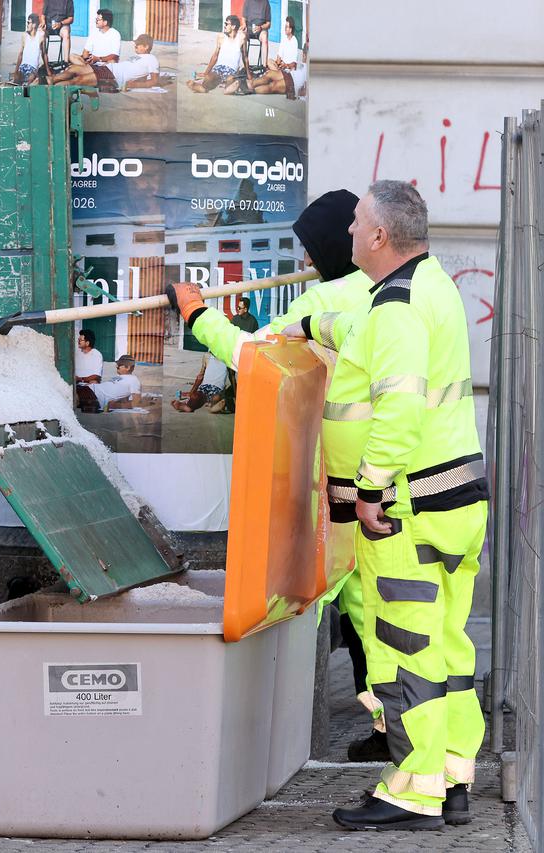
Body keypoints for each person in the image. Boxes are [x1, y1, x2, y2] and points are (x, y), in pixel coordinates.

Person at [291, 182, 487, 831]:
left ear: (378, 237)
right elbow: (366, 330)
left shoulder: (398, 303)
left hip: (409, 506)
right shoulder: (428, 285)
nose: (347, 234)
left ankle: (410, 789)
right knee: (449, 644)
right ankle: (453, 778)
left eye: (355, 224)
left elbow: (398, 408)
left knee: (408, 650)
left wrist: (370, 488)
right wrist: (311, 325)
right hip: (455, 497)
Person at [164, 190, 381, 760]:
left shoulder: (328, 299)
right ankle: (393, 728)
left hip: (348, 487)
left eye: (311, 249)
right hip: (394, 479)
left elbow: (256, 359)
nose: (307, 261)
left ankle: (392, 730)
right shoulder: (396, 293)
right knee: (378, 609)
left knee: (359, 607)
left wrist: (196, 315)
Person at [50, 10, 122, 88]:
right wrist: (87, 58)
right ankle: (86, 72)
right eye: (96, 19)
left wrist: (98, 59)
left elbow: (115, 56)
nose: (96, 21)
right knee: (72, 56)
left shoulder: (115, 34)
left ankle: (85, 73)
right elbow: (85, 51)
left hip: (104, 65)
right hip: (91, 63)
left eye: (98, 20)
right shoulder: (94, 32)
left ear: (105, 22)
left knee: (112, 62)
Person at [185, 16, 245, 93]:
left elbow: (245, 57)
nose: (225, 26)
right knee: (208, 78)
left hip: (232, 70)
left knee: (231, 80)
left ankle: (227, 89)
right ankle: (204, 88)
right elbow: (215, 56)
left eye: (227, 24)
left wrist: (249, 75)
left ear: (233, 26)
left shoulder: (241, 38)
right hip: (219, 68)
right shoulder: (221, 37)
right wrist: (206, 73)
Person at [12, 14, 47, 84]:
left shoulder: (41, 36)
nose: (27, 25)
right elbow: (20, 54)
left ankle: (26, 92)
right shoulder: (24, 35)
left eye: (28, 23)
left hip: (33, 69)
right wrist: (16, 71)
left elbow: (44, 54)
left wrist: (48, 70)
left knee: (30, 80)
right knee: (17, 80)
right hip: (23, 67)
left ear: (34, 25)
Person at [43, 0, 75, 70]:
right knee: (41, 34)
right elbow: (43, 15)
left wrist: (61, 23)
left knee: (66, 33)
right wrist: (43, 22)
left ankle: (66, 63)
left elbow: (71, 18)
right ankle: (45, 63)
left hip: (62, 25)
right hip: (48, 25)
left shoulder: (68, 1)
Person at [242, 0, 272, 69]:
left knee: (265, 37)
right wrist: (244, 25)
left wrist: (261, 27)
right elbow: (243, 18)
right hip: (249, 28)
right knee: (242, 36)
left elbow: (268, 24)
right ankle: (246, 66)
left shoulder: (265, 2)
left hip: (260, 29)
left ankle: (264, 66)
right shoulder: (247, 1)